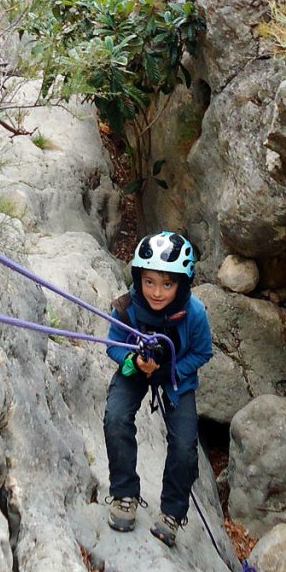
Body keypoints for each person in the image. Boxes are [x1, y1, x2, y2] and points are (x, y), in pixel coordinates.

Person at [103, 231, 212, 547]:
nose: (157, 292)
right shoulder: (127, 307)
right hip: (136, 368)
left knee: (184, 445)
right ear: (138, 277)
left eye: (167, 284)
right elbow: (113, 344)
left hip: (177, 378)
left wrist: (169, 370)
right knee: (116, 417)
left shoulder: (194, 314)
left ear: (182, 284)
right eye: (149, 281)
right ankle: (124, 494)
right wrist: (133, 363)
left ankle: (172, 513)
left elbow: (203, 352)